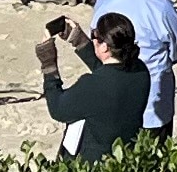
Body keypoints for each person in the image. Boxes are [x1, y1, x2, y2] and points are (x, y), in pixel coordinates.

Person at [92, 0, 177, 136]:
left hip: (114, 99)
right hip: (155, 105)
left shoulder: (105, 4)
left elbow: (97, 49)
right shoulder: (164, 8)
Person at [37, 12, 153, 159]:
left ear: (104, 46)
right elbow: (110, 70)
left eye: (94, 36)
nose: (93, 40)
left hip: (92, 164)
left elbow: (58, 109)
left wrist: (48, 64)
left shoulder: (92, 84)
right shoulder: (140, 70)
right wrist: (79, 40)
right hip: (126, 158)